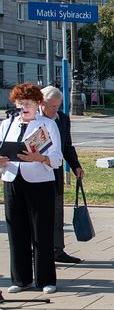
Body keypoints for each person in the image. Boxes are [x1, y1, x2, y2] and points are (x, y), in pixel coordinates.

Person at [1, 82, 63, 294]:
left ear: (38, 104)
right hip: (12, 179)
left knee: (41, 231)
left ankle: (46, 279)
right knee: (16, 231)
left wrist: (41, 157)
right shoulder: (7, 124)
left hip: (39, 182)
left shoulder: (47, 125)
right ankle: (20, 279)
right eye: (19, 103)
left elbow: (57, 159)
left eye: (27, 103)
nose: (23, 107)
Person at [40, 86, 84, 265]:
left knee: (57, 214)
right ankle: (37, 252)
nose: (55, 110)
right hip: (36, 175)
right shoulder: (33, 120)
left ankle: (57, 250)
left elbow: (67, 146)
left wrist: (76, 166)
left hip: (55, 174)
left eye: (57, 106)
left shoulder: (63, 119)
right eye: (51, 107)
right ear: (41, 103)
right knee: (38, 215)